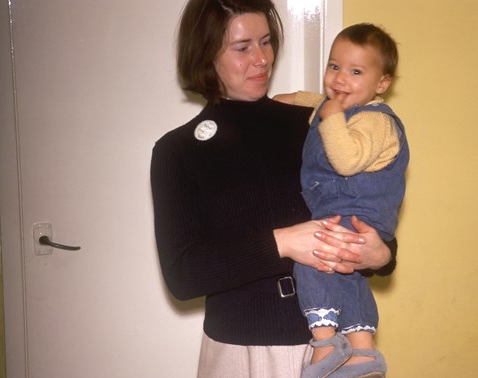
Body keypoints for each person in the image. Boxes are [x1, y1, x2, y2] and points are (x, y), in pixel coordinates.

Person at [150, 2, 398, 377]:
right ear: (205, 54)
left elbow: (367, 199)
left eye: (266, 42)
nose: (262, 59)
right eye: (242, 47)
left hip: (337, 351)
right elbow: (183, 276)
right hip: (239, 352)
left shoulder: (317, 126)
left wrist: (382, 255)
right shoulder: (177, 151)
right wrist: (282, 242)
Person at [274, 23, 409, 377]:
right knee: (348, 277)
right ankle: (364, 352)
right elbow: (308, 100)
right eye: (334, 66)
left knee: (315, 258)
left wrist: (330, 117)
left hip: (360, 212)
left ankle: (326, 343)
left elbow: (347, 160)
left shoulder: (376, 122)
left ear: (381, 84)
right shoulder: (329, 105)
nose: (340, 79)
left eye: (355, 72)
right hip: (347, 214)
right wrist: (284, 101)